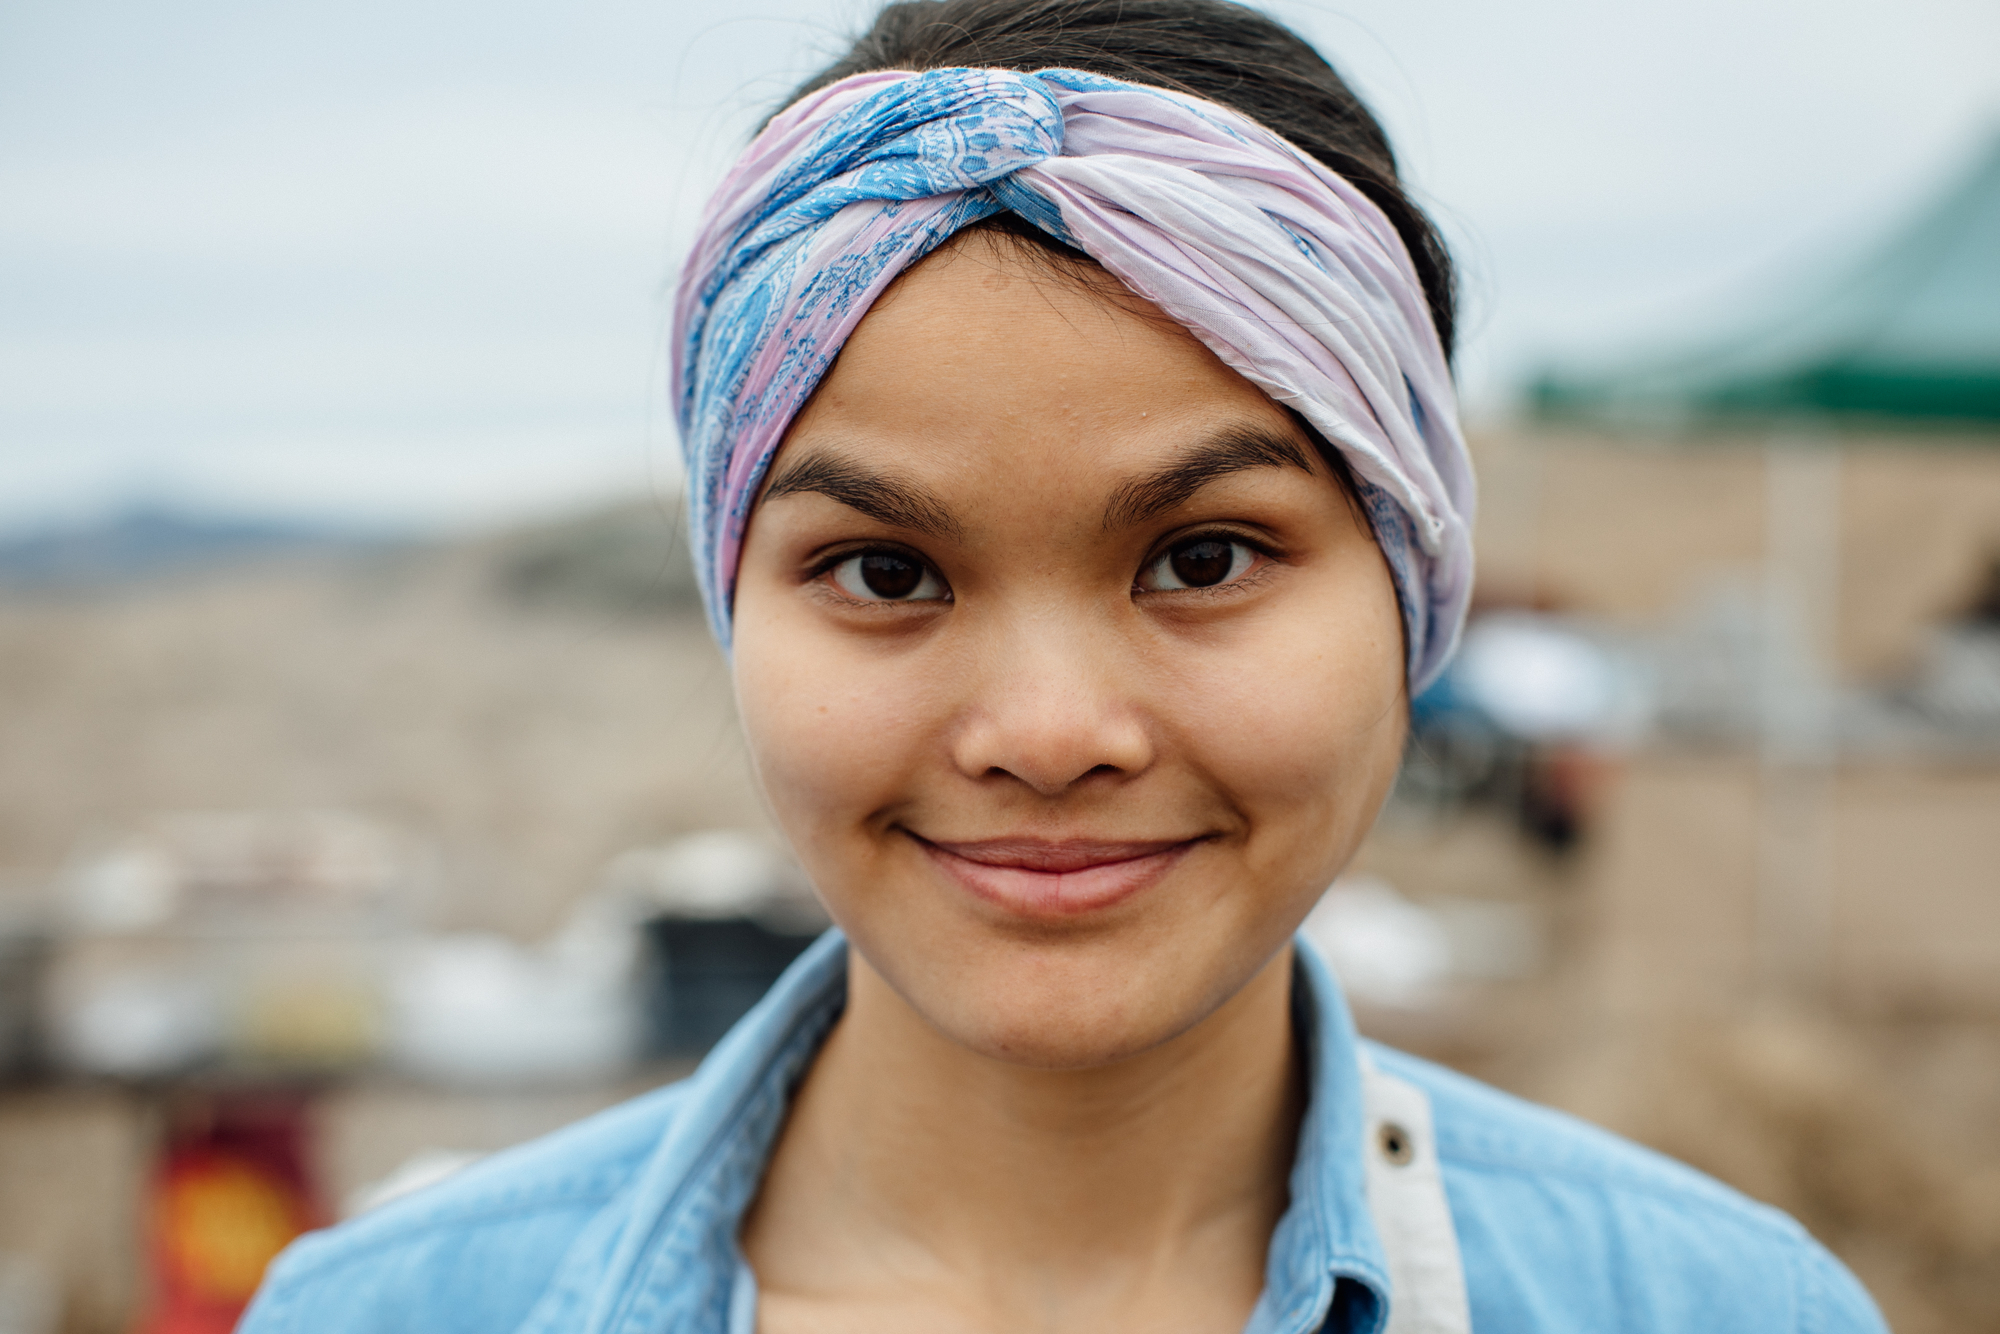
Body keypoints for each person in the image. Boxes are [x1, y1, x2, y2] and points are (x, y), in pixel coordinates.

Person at [240, 2, 1887, 1330]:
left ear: (1414, 583)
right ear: (738, 607)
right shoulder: (388, 1310)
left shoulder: (1715, 1305)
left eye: (1202, 558)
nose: (1047, 733)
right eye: (886, 571)